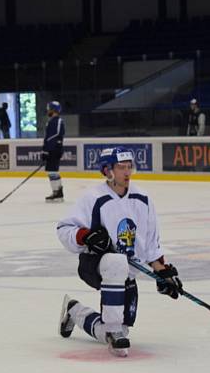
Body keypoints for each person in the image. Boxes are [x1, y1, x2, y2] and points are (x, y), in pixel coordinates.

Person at [55, 147, 183, 357]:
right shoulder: (93, 198)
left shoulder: (142, 198)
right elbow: (64, 229)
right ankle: (114, 329)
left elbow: (151, 243)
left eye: (129, 167)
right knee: (116, 262)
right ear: (107, 171)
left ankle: (75, 311)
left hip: (127, 273)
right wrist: (86, 236)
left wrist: (163, 273)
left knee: (119, 331)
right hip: (94, 265)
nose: (127, 172)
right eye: (121, 167)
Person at [42, 100, 66, 203]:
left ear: (54, 110)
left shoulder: (58, 121)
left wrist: (48, 150)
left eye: (49, 109)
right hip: (51, 149)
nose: (48, 111)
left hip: (54, 149)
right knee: (51, 171)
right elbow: (48, 137)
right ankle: (56, 191)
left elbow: (54, 136)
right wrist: (45, 150)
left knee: (53, 171)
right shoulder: (51, 121)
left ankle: (58, 193)